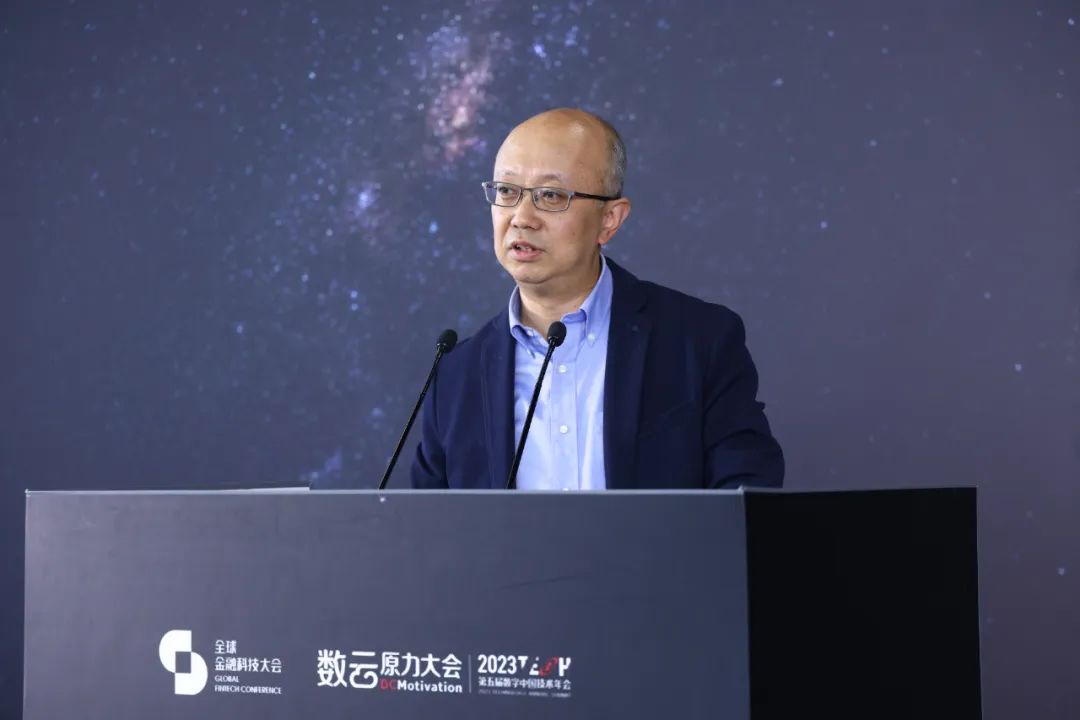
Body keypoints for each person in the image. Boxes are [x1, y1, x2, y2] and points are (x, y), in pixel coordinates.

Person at [411, 108, 783, 490]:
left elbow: (746, 500)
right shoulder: (455, 376)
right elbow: (428, 522)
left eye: (550, 195)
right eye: (507, 191)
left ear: (610, 220)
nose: (521, 217)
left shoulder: (699, 342)